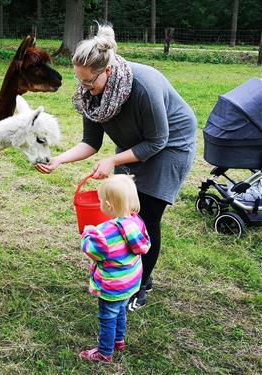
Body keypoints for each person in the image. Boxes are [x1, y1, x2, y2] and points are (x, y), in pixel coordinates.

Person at [36, 24, 197, 311]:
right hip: (134, 144)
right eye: (79, 82)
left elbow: (157, 141)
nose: (84, 89)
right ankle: (124, 274)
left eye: (88, 83)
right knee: (125, 213)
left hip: (170, 145)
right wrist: (59, 160)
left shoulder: (144, 86)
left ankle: (141, 284)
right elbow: (91, 142)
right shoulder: (91, 96)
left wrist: (114, 160)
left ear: (107, 72)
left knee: (146, 216)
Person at [79, 174, 150, 362]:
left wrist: (88, 232)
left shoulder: (107, 232)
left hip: (112, 285)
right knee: (120, 311)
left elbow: (91, 249)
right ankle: (119, 341)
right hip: (130, 282)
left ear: (108, 206)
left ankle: (104, 352)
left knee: (107, 317)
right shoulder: (136, 222)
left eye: (101, 200)